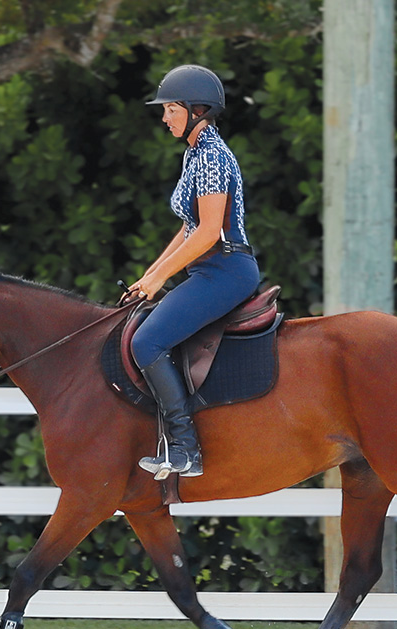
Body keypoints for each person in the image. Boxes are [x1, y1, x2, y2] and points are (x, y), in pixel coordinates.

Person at [127, 64, 260, 481]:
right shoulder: (195, 155)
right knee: (142, 326)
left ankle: (185, 448)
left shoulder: (213, 157)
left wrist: (158, 279)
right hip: (208, 268)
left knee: (146, 342)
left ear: (194, 109)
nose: (164, 118)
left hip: (226, 269)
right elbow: (187, 226)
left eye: (169, 109)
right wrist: (150, 275)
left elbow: (207, 232)